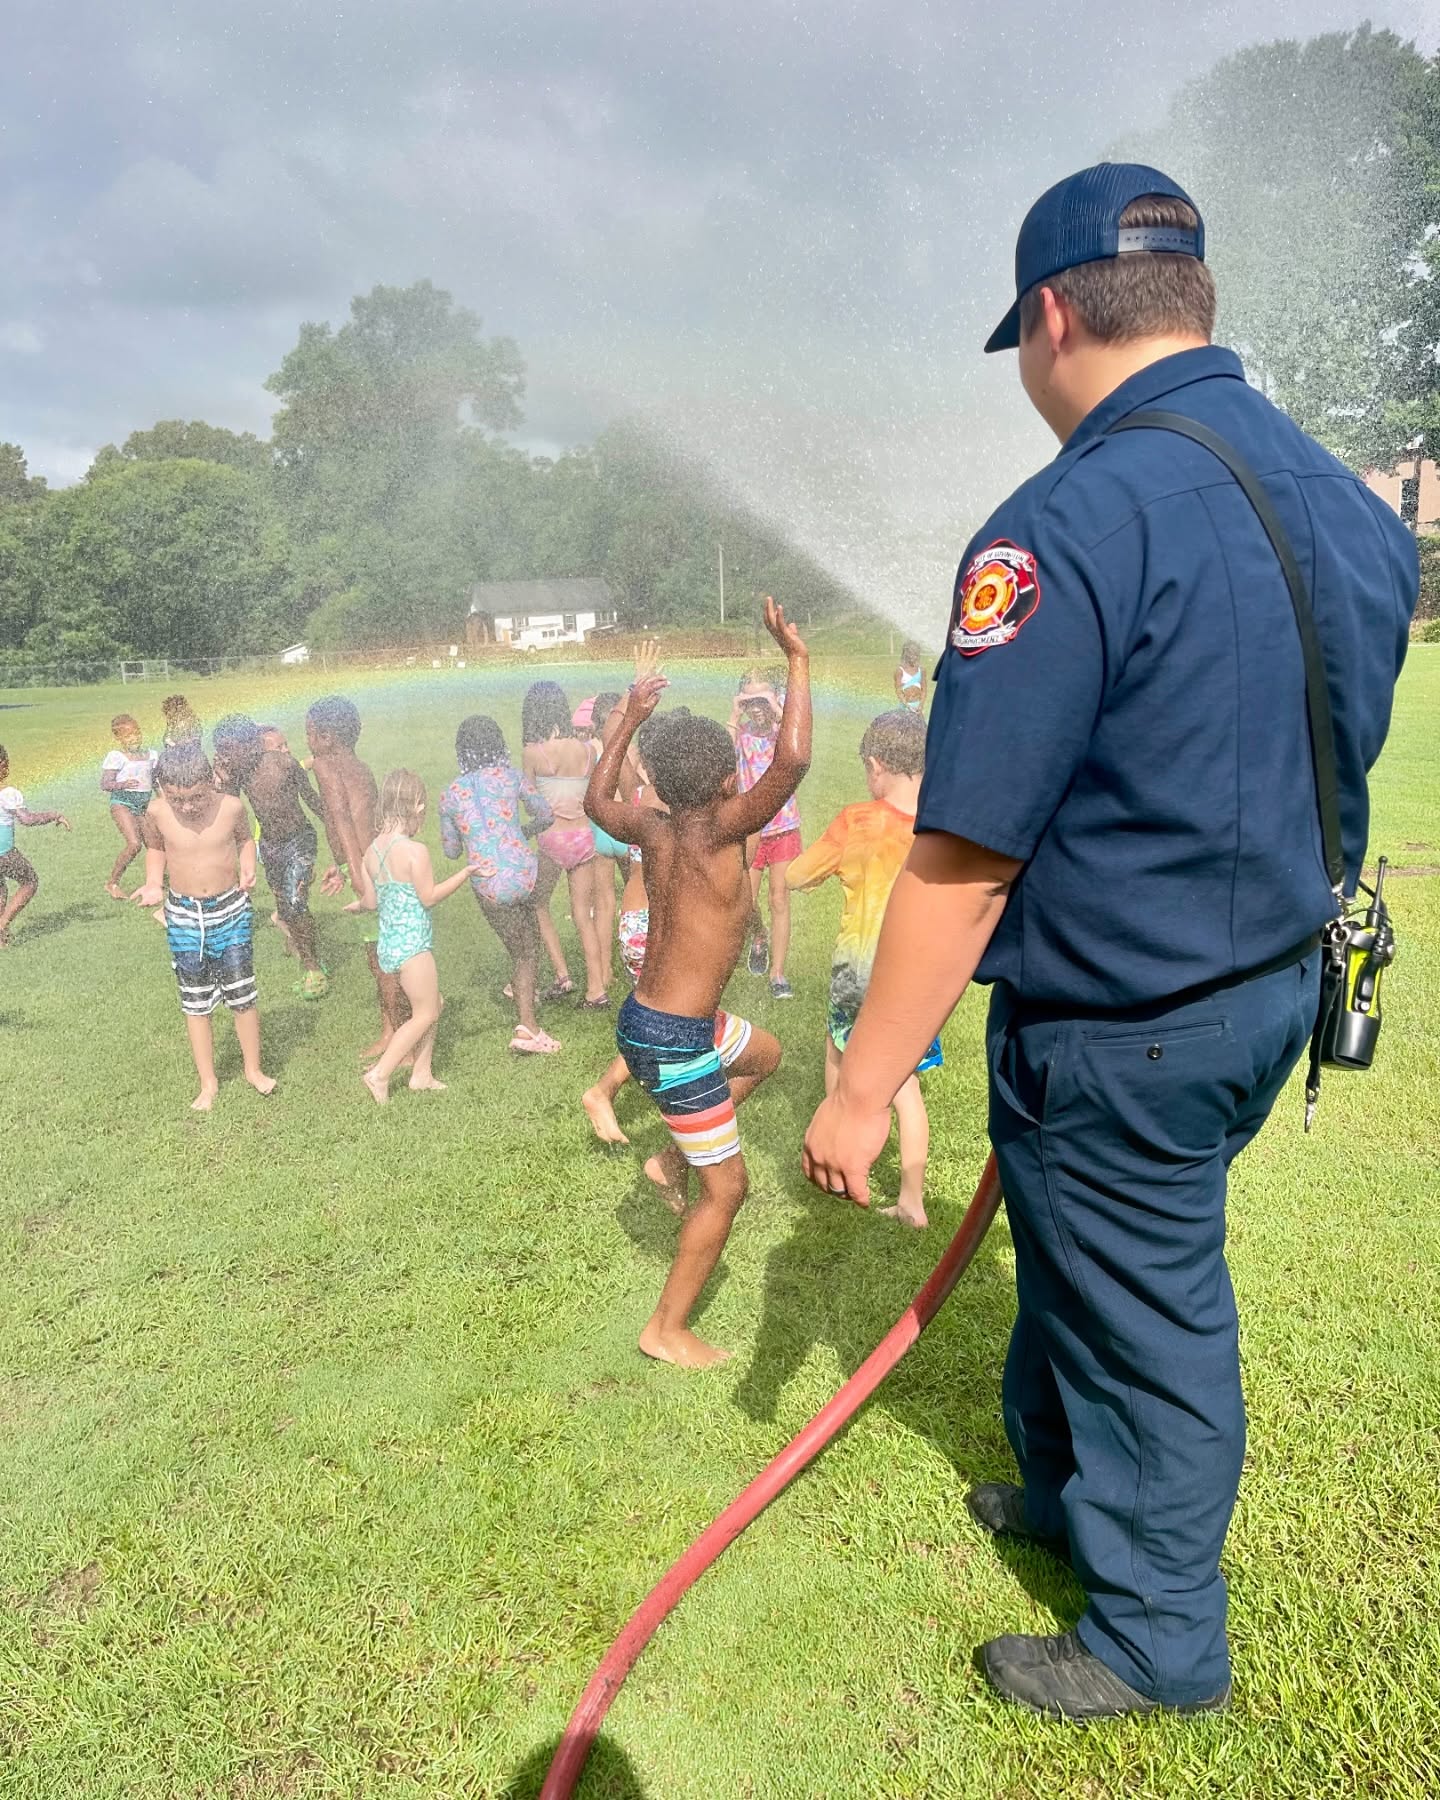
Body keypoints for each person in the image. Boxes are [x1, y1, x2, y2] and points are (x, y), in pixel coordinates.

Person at [801, 164, 1418, 1720]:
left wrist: (866, 1086)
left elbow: (965, 850)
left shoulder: (1060, 525)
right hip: (1269, 984)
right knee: (1091, 1269)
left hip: (1130, 1019)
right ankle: (1074, 1499)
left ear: (1054, 316)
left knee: (1148, 1314)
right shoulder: (1346, 499)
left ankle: (1155, 1642)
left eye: (1019, 341)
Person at [586, 598, 809, 1367]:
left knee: (768, 1055)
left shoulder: (652, 827)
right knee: (731, 1190)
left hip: (661, 1024)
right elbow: (792, 765)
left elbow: (594, 802)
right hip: (676, 1041)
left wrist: (627, 717)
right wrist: (798, 663)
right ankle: (665, 1330)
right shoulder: (721, 830)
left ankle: (671, 1156)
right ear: (724, 781)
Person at [787, 708, 939, 1227]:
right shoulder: (941, 822)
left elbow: (796, 876)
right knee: (907, 1087)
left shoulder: (856, 821)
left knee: (839, 1055)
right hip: (918, 976)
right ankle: (913, 1200)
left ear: (876, 766)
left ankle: (837, 1166)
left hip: (857, 972)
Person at [131, 743, 274, 1109]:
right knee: (196, 1002)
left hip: (230, 911)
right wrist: (151, 883)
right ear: (163, 789)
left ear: (210, 781)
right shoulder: (157, 812)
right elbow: (156, 849)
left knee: (242, 994)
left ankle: (253, 1070)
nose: (188, 807)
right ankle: (208, 1083)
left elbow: (245, 840)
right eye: (178, 799)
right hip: (184, 916)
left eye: (195, 797)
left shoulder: (231, 807)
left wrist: (248, 866)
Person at [439, 715, 561, 1055]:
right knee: (528, 946)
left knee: (521, 946)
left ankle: (523, 1004)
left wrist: (472, 836)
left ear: (462, 750)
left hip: (488, 880)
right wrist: (523, 832)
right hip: (524, 870)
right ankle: (528, 1027)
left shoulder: (450, 793)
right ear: (498, 744)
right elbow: (546, 815)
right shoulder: (512, 777)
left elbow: (450, 851)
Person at [358, 770, 478, 1104]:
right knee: (424, 1013)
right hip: (414, 946)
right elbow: (429, 896)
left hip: (390, 944)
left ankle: (421, 1074)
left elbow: (370, 902)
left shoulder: (371, 851)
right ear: (417, 806)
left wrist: (355, 906)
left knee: (434, 1003)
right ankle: (379, 1074)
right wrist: (465, 874)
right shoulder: (414, 851)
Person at [581, 710, 669, 1145]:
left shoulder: (640, 794)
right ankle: (605, 1090)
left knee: (661, 1017)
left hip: (633, 922)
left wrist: (629, 710)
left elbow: (616, 752)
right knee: (676, 1016)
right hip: (657, 928)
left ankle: (620, 1088)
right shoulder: (673, 802)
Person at [306, 696, 410, 1058]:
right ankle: (390, 1030)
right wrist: (342, 863)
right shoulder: (359, 766)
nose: (308, 742)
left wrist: (356, 872)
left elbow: (341, 818)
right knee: (378, 955)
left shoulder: (323, 765)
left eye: (310, 734)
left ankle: (403, 1037)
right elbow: (363, 817)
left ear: (326, 736)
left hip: (369, 870)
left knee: (384, 959)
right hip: (376, 862)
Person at [212, 715, 330, 998]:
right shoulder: (239, 773)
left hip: (299, 840)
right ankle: (305, 951)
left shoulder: (283, 764)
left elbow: (313, 801)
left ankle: (313, 967)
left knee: (295, 902)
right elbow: (230, 811)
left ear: (251, 744)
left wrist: (340, 828)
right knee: (285, 906)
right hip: (270, 845)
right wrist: (226, 782)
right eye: (220, 751)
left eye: (229, 750)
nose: (223, 757)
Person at [522, 680, 609, 1008]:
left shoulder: (534, 753)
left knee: (537, 903)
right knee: (582, 914)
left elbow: (532, 803)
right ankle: (596, 988)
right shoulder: (588, 750)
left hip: (552, 838)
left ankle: (562, 974)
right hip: (584, 837)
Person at [729, 663, 805, 999]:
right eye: (751, 702)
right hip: (751, 829)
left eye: (763, 701)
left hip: (784, 825)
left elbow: (797, 737)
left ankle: (778, 973)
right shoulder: (741, 735)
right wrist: (736, 708)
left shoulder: (782, 733)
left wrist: (775, 705)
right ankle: (758, 936)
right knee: (744, 899)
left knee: (779, 899)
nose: (757, 709)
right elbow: (721, 750)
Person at [0, 746, 71, 945]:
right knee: (29, 881)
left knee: (0, 889)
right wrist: (54, 815)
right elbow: (27, 819)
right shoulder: (7, 794)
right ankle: (2, 924)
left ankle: (1, 940)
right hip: (3, 853)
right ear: (4, 766)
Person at [100, 714, 156, 899]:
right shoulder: (116, 757)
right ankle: (112, 883)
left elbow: (155, 782)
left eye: (137, 733)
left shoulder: (151, 755)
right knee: (134, 844)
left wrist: (164, 800)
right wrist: (122, 784)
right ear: (119, 738)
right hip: (122, 804)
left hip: (143, 807)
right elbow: (105, 783)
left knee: (156, 846)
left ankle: (158, 883)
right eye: (128, 735)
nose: (134, 738)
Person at [894, 642, 927, 713]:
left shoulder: (921, 670)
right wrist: (907, 706)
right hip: (905, 706)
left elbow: (924, 690)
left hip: (918, 706)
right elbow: (898, 691)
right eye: (910, 654)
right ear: (905, 655)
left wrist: (921, 705)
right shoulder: (900, 670)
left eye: (915, 654)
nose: (913, 656)